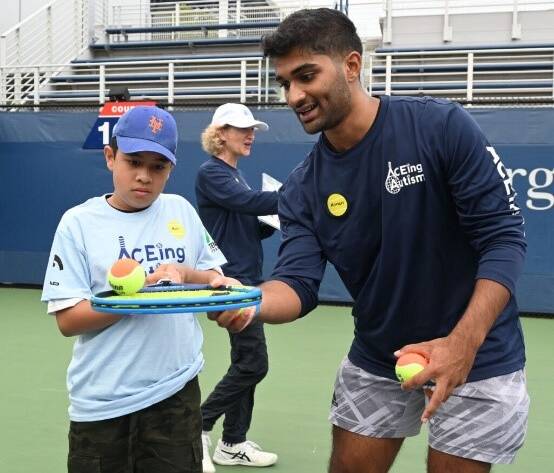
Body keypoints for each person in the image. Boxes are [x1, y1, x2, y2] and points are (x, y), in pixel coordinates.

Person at [211, 8, 529, 473]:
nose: (294, 96)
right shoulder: (303, 188)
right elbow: (297, 284)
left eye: (306, 76)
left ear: (352, 66)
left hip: (480, 354)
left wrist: (463, 344)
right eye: (284, 83)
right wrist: (248, 300)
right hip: (379, 359)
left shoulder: (439, 127)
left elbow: (503, 238)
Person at [41, 105, 243, 473]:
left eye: (157, 167)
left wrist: (217, 285)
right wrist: (135, 299)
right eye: (133, 162)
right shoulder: (79, 224)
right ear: (110, 157)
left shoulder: (180, 210)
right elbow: (68, 320)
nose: (144, 176)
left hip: (176, 394)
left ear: (170, 170)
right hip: (103, 403)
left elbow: (210, 276)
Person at [195, 103, 279, 472]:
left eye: (253, 130)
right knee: (254, 364)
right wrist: (297, 197)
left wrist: (270, 223)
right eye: (242, 129)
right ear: (220, 134)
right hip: (229, 283)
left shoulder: (234, 175)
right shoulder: (212, 173)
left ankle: (233, 443)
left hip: (247, 280)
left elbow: (245, 220)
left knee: (247, 362)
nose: (250, 136)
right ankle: (197, 426)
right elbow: (246, 203)